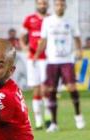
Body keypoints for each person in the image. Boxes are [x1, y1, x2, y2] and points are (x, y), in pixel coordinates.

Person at [34, 0, 85, 132]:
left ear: (65, 6)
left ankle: (78, 116)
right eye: (57, 5)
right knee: (51, 90)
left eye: (62, 5)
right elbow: (43, 40)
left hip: (67, 60)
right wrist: (37, 55)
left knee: (72, 87)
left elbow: (77, 37)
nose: (59, 7)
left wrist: (79, 51)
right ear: (54, 6)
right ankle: (54, 123)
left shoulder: (71, 21)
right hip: (52, 61)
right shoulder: (48, 21)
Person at [20, 0, 52, 130]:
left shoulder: (51, 19)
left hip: (47, 58)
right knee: (37, 89)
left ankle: (48, 118)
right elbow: (22, 36)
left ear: (47, 5)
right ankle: (38, 121)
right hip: (32, 59)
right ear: (36, 5)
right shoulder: (29, 19)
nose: (42, 5)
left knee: (46, 89)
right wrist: (25, 48)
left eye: (44, 3)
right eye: (40, 3)